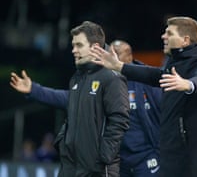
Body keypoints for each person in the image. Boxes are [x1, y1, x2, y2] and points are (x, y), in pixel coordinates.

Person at [90, 16, 197, 177]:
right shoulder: (177, 61)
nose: (163, 36)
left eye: (169, 33)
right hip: (173, 153)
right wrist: (119, 66)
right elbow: (154, 74)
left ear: (185, 40)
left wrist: (189, 84)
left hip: (193, 157)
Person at [10, 21, 130, 177]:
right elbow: (65, 100)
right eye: (73, 45)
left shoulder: (111, 77)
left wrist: (103, 157)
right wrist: (34, 90)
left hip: (96, 169)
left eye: (79, 45)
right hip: (71, 166)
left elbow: (120, 119)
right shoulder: (78, 78)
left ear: (95, 47)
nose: (74, 50)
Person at [110, 40, 161, 177]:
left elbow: (165, 112)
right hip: (117, 159)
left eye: (116, 54)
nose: (111, 58)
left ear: (129, 56)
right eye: (110, 54)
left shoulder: (148, 79)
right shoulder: (105, 82)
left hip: (147, 156)